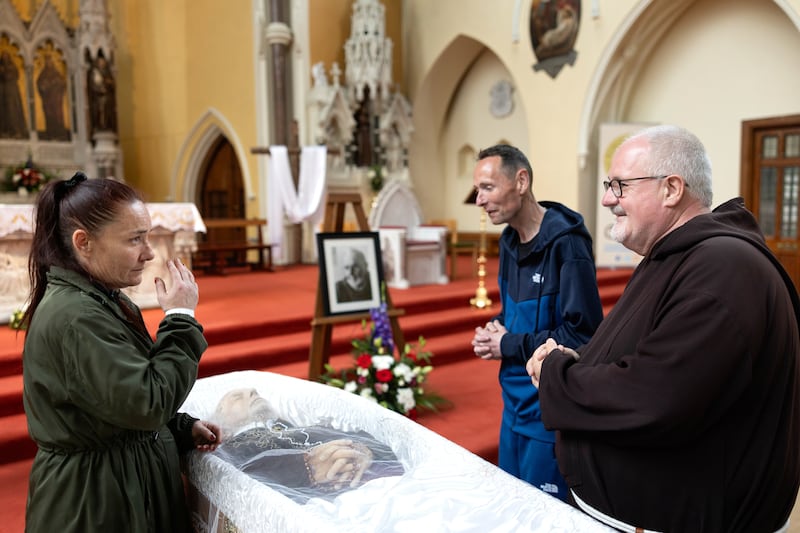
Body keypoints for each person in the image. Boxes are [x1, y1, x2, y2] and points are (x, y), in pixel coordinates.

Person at [528, 125, 800, 532]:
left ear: (672, 189)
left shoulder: (723, 268)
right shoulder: (678, 256)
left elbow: (656, 397)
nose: (606, 199)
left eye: (619, 185)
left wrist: (556, 374)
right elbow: (648, 354)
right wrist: (577, 359)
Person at [22, 173, 221, 533]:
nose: (149, 253)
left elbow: (113, 403)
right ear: (83, 242)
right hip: (97, 504)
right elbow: (147, 402)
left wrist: (178, 427)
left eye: (147, 237)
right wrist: (180, 317)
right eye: (134, 240)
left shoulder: (99, 299)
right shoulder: (77, 317)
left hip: (119, 485)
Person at [469, 144, 603, 501]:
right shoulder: (509, 241)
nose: (479, 200)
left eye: (487, 188)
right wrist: (493, 331)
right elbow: (512, 314)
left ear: (521, 181)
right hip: (512, 407)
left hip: (548, 412)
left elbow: (582, 333)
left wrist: (507, 343)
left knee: (545, 515)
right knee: (512, 508)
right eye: (478, 190)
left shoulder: (567, 243)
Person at [208, 387, 404, 503]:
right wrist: (308, 466)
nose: (252, 392)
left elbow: (372, 442)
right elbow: (237, 484)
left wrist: (361, 451)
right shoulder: (229, 448)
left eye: (255, 391)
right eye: (236, 397)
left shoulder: (301, 426)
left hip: (384, 484)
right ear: (220, 418)